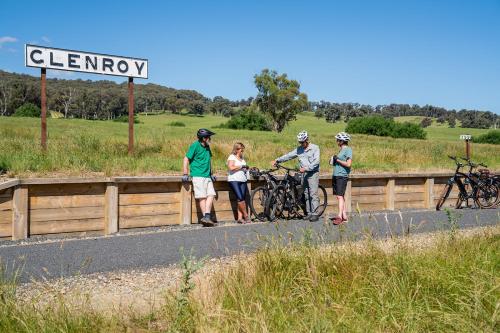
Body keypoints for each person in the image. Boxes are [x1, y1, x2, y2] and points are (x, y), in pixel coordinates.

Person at [271, 131, 320, 222]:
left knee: (313, 193)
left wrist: (306, 168)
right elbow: (289, 156)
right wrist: (277, 160)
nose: (301, 144)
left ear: (307, 140)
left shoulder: (315, 148)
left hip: (312, 173)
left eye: (303, 142)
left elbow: (316, 162)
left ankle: (315, 213)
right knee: (306, 193)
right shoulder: (299, 149)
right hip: (304, 174)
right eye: (300, 142)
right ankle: (309, 213)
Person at [183, 128, 217, 227]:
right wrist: (185, 173)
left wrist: (211, 173)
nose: (210, 139)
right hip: (198, 176)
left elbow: (209, 160)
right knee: (202, 197)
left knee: (211, 194)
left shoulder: (207, 147)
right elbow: (186, 158)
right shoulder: (195, 145)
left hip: (207, 176)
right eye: (208, 137)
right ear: (204, 138)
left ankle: (206, 216)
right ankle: (206, 217)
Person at [330, 132, 352, 225]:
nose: (336, 141)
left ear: (342, 141)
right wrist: (333, 160)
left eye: (338, 140)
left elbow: (348, 164)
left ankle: (339, 216)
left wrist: (337, 160)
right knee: (340, 196)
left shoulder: (348, 150)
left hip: (342, 176)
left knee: (339, 196)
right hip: (336, 175)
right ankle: (344, 216)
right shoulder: (341, 150)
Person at [227, 142, 251, 224]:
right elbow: (231, 167)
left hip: (243, 180)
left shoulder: (242, 158)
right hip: (234, 180)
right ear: (237, 149)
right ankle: (246, 216)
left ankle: (240, 218)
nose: (242, 152)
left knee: (241, 199)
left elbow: (243, 168)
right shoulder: (232, 157)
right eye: (241, 150)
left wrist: (246, 168)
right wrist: (241, 167)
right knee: (240, 198)